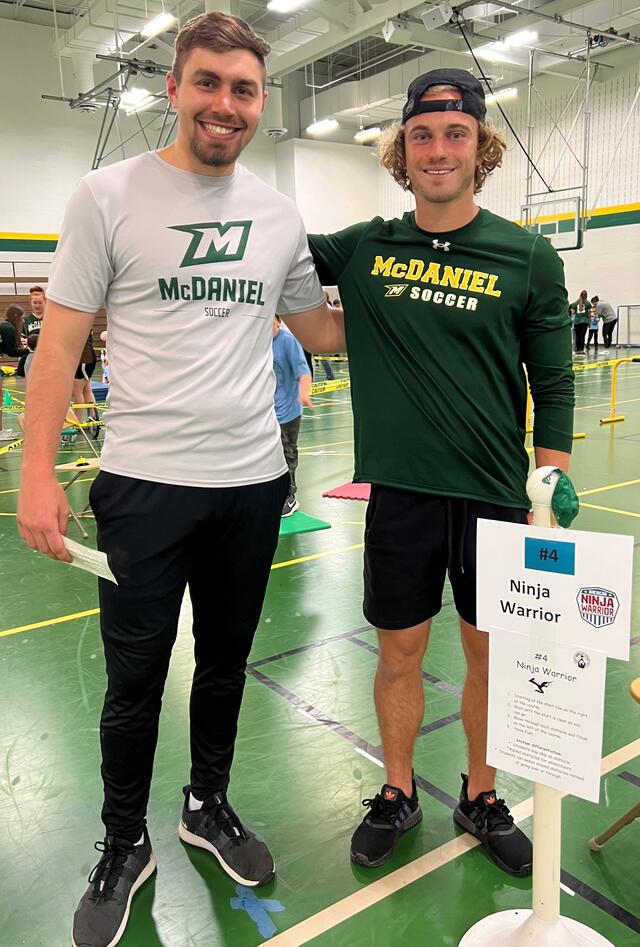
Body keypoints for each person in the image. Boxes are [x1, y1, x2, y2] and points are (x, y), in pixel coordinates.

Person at [17, 12, 334, 947]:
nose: (225, 104)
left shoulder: (279, 214)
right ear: (175, 87)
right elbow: (61, 341)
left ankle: (208, 802)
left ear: (259, 101)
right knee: (135, 679)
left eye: (243, 89)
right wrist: (37, 472)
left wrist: (428, 302)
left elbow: (318, 327)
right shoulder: (107, 195)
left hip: (250, 483)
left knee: (228, 664)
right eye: (209, 83)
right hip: (144, 487)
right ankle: (124, 840)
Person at [284, 68, 574, 876]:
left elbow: (551, 382)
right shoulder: (367, 246)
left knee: (490, 655)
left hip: (492, 498)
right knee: (400, 653)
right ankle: (398, 790)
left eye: (455, 136)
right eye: (422, 135)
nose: (438, 150)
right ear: (401, 151)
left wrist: (550, 480)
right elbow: (267, 249)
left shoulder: (527, 257)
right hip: (401, 496)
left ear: (480, 150)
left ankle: (481, 794)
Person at [272, 315, 313, 516]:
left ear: (278, 321)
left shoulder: (288, 341)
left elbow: (303, 371)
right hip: (267, 410)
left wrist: (304, 393)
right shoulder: (258, 341)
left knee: (287, 452)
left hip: (288, 410)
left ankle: (290, 496)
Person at [0, 305, 29, 440]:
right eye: (22, 318)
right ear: (16, 317)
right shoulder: (8, 328)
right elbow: (12, 352)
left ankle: (0, 430)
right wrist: (29, 350)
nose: (23, 321)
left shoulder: (5, 326)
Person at [569, 290, 590, 356]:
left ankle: (577, 351)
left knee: (577, 336)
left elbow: (572, 312)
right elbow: (589, 314)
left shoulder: (576, 303)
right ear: (586, 295)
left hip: (577, 321)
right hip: (584, 321)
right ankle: (581, 350)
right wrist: (590, 322)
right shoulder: (588, 303)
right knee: (582, 336)